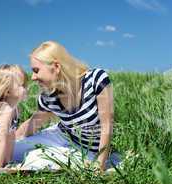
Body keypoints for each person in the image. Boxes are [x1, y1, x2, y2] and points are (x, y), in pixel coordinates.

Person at [14, 41, 120, 172]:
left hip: (88, 150)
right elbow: (32, 125)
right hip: (60, 136)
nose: (33, 77)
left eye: (36, 71)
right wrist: (7, 138)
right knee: (11, 150)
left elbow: (107, 125)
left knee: (37, 159)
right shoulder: (49, 96)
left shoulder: (96, 79)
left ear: (56, 67)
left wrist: (100, 166)